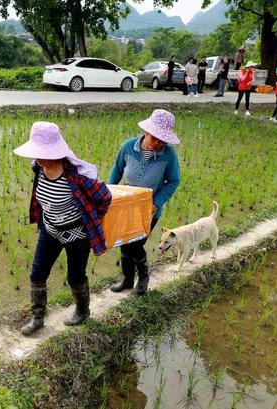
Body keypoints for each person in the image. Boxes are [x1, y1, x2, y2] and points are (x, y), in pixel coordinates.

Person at [14, 122, 112, 335]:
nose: (36, 157)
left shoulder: (76, 177)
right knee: (37, 273)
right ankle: (38, 317)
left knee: (75, 276)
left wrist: (94, 219)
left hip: (77, 234)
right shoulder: (38, 168)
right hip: (50, 230)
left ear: (55, 153)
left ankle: (83, 311)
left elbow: (105, 197)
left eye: (41, 153)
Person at [108, 109, 181, 295]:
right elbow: (117, 170)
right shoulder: (128, 146)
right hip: (126, 206)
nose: (158, 143)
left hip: (149, 210)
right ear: (147, 131)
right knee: (123, 243)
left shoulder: (168, 155)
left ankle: (143, 278)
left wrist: (156, 203)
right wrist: (108, 194)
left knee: (135, 244)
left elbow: (174, 181)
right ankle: (127, 280)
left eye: (162, 140)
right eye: (155, 138)